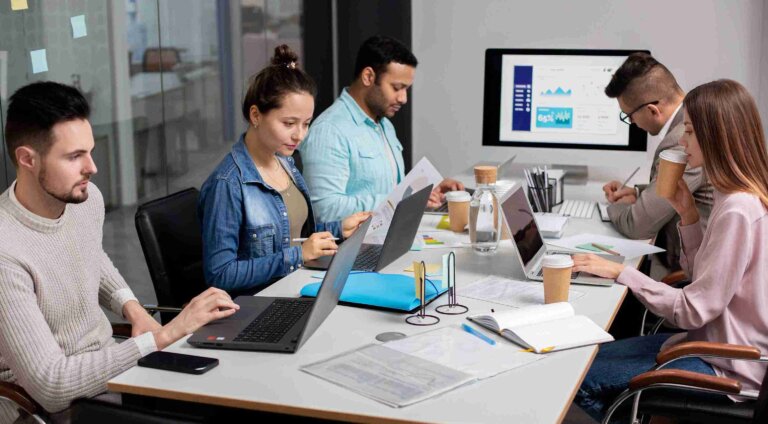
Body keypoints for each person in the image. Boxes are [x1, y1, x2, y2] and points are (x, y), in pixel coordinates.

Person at [0, 81, 239, 421]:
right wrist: (165, 334)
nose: (92, 167)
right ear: (27, 159)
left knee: (231, 395)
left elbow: (90, 255)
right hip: (47, 409)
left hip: (110, 376)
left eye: (90, 150)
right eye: (74, 156)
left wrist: (133, 309)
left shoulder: (85, 200)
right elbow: (52, 387)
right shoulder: (5, 251)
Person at [573, 79, 768, 422]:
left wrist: (621, 272)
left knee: (579, 377)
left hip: (727, 364)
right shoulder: (734, 196)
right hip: (711, 343)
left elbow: (694, 309)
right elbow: (702, 282)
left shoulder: (738, 209)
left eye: (690, 131)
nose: (682, 140)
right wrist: (688, 215)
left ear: (716, 136)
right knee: (584, 360)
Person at [198, 45, 370, 293]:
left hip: (294, 287)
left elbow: (290, 235)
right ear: (256, 115)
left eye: (306, 124)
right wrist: (297, 256)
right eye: (289, 123)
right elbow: (220, 275)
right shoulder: (228, 184)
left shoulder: (285, 161)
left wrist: (337, 229)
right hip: (258, 307)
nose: (299, 135)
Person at [299, 35, 463, 222]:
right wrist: (400, 199)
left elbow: (390, 188)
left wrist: (425, 191)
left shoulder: (384, 123)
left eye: (406, 89)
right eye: (396, 87)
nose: (403, 98)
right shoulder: (329, 131)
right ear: (368, 77)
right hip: (352, 248)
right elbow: (324, 210)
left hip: (389, 237)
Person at [602, 52, 713, 270]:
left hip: (688, 268)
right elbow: (686, 188)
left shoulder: (685, 141)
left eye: (629, 116)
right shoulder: (695, 117)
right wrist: (638, 193)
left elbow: (637, 225)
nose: (632, 123)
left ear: (653, 110)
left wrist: (613, 207)